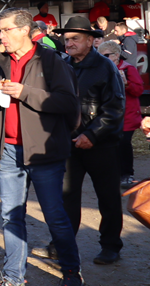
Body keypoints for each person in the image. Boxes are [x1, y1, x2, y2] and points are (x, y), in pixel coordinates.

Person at [0, 8, 83, 286]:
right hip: (9, 150)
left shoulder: (51, 60)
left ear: (23, 30)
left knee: (54, 214)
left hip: (44, 151)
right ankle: (14, 276)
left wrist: (25, 92)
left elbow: (68, 103)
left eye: (5, 30)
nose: (0, 35)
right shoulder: (0, 62)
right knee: (10, 215)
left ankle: (70, 271)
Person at [37, 16, 126, 266]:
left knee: (108, 198)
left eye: (75, 38)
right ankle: (62, 245)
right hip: (69, 145)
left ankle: (110, 246)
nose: (69, 43)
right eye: (67, 39)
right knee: (66, 199)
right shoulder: (63, 64)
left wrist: (92, 135)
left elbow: (115, 108)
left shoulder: (105, 67)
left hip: (102, 145)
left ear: (90, 40)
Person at [98, 41, 144, 189]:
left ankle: (127, 174)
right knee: (111, 145)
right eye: (100, 56)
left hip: (128, 114)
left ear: (116, 55)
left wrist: (127, 84)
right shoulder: (102, 69)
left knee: (123, 144)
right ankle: (115, 174)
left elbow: (138, 91)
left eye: (106, 55)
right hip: (110, 114)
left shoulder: (128, 69)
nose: (103, 58)